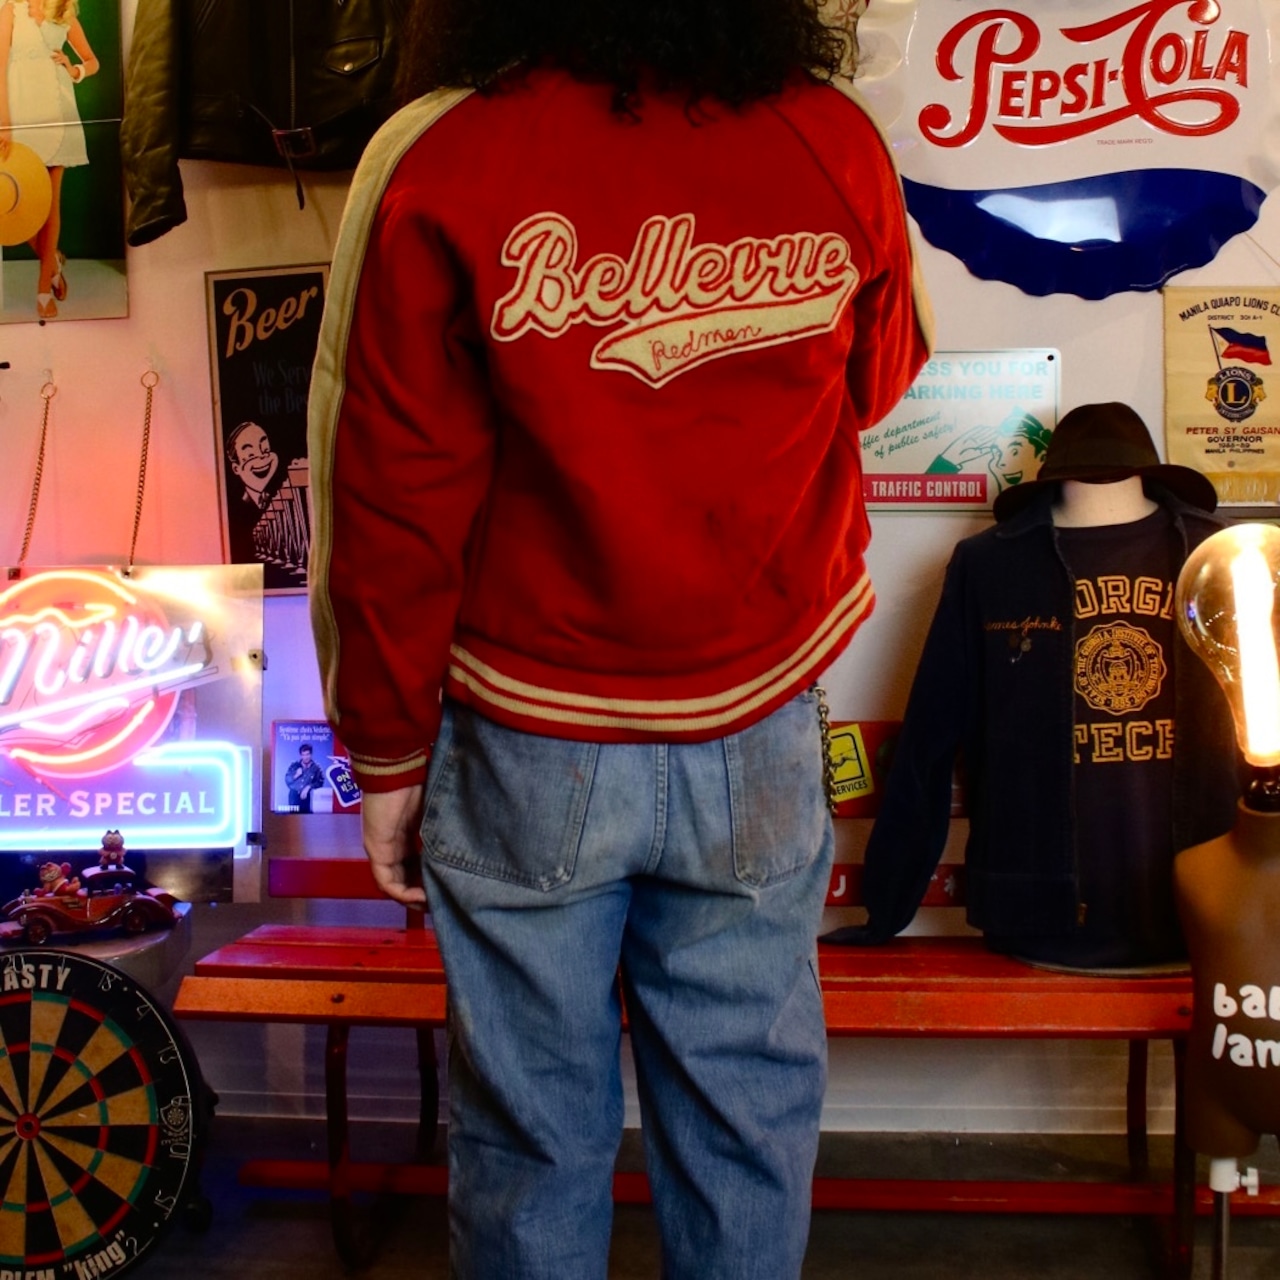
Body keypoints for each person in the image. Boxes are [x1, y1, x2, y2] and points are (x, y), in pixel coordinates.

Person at [307, 1, 931, 1274]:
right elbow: (876, 379)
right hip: (756, 715)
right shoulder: (833, 137)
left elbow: (387, 488)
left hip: (526, 729)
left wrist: (384, 750)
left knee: (529, 1131)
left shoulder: (442, 149)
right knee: (747, 1116)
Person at [826, 403, 1240, 969]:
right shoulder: (993, 565)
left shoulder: (1220, 559)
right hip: (1036, 917)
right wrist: (886, 909)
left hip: (1206, 919)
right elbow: (929, 735)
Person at [0, 0, 97, 320]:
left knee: (51, 204)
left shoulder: (63, 11)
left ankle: (43, 290)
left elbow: (92, 61)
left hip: (59, 112)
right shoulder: (9, 9)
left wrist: (75, 70)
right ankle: (52, 261)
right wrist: (4, 121)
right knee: (17, 204)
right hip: (21, 115)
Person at [284, 743, 324, 813]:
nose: (306, 757)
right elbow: (287, 780)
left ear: (311, 754)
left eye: (307, 754)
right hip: (294, 796)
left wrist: (309, 786)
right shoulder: (294, 765)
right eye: (303, 755)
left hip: (306, 796)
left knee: (306, 816)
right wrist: (296, 775)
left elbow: (320, 782)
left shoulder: (316, 768)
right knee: (293, 817)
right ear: (301, 755)